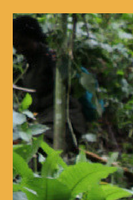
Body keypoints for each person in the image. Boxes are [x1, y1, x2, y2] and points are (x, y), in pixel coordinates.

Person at [13, 15, 87, 152]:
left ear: (34, 38)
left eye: (24, 43)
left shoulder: (53, 57)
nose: (20, 49)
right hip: (40, 121)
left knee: (35, 153)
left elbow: (70, 89)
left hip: (63, 121)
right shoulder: (23, 66)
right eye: (16, 46)